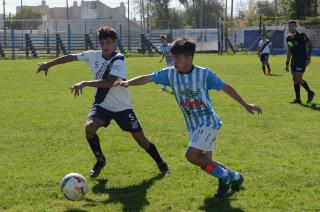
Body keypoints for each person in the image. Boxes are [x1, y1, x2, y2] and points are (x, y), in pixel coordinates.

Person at [114, 38, 262, 198]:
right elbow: (148, 78)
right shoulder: (170, 74)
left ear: (190, 58)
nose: (174, 62)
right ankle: (235, 177)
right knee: (205, 161)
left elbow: (225, 87)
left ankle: (224, 178)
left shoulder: (204, 74)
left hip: (208, 122)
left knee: (191, 156)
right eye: (173, 58)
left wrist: (246, 104)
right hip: (193, 126)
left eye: (178, 58)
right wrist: (128, 82)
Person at [36, 26, 169, 178]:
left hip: (122, 107)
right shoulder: (93, 55)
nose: (105, 46)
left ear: (114, 44)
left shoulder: (119, 59)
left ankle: (161, 162)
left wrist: (85, 83)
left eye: (108, 43)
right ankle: (100, 159)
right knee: (89, 128)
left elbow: (110, 82)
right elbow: (70, 57)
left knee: (141, 140)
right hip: (102, 104)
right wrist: (48, 65)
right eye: (102, 43)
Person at [285, 20, 315, 104]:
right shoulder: (288, 38)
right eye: (289, 26)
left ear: (296, 26)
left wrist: (309, 58)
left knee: (298, 78)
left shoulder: (302, 35)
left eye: (293, 26)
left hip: (302, 59)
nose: (291, 27)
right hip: (293, 60)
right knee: (295, 79)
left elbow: (310, 46)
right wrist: (287, 63)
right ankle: (298, 99)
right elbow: (289, 50)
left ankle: (310, 92)